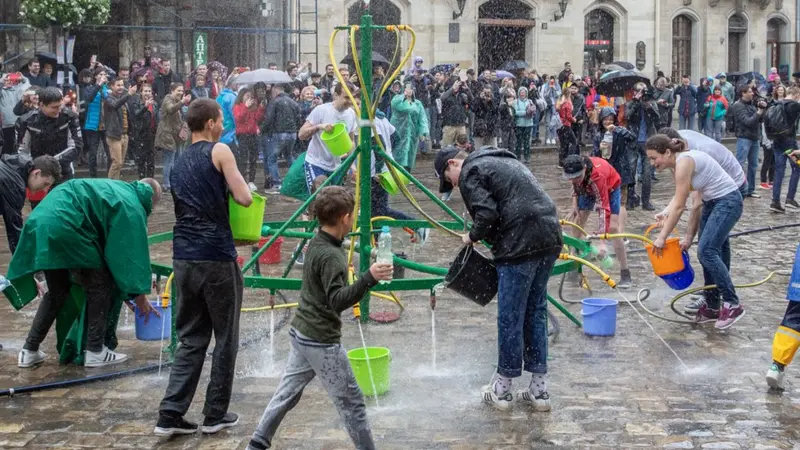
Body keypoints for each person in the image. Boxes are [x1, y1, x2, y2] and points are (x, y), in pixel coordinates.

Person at [247, 186, 392, 450]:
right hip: (320, 339)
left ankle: (257, 443)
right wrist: (369, 278)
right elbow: (337, 301)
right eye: (354, 214)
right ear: (345, 218)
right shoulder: (332, 256)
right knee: (353, 404)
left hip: (301, 331)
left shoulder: (317, 241)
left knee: (286, 394)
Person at [436, 146, 563, 411]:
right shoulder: (503, 161)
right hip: (549, 236)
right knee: (536, 311)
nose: (455, 185)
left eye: (450, 180)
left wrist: (471, 236)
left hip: (518, 244)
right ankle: (539, 391)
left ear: (452, 164)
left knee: (510, 316)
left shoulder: (471, 170)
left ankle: (502, 390)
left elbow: (487, 214)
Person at [154, 99, 252, 437]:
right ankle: (215, 414)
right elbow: (245, 198)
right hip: (215, 256)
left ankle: (170, 414)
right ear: (210, 123)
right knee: (225, 336)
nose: (223, 125)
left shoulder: (179, 161)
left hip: (183, 257)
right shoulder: (220, 151)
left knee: (191, 338)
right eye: (221, 119)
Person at [9, 178, 161, 368]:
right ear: (151, 201)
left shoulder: (117, 188)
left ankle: (29, 350)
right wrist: (139, 296)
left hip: (40, 222)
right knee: (100, 286)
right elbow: (129, 254)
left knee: (57, 291)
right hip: (68, 226)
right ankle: (95, 351)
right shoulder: (133, 205)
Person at [646, 134, 745, 329]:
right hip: (711, 203)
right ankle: (713, 305)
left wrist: (662, 237)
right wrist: (667, 214)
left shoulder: (684, 162)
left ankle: (732, 303)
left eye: (654, 158)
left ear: (667, 152)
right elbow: (683, 199)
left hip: (728, 202)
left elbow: (680, 207)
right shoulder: (676, 165)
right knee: (710, 252)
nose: (652, 163)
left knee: (706, 252)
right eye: (649, 159)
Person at [563, 155, 632, 288]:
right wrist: (574, 205)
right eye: (571, 177)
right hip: (587, 189)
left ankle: (625, 273)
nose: (574, 180)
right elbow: (575, 184)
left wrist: (602, 242)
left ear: (584, 168)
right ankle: (575, 265)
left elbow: (603, 208)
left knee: (612, 228)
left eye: (578, 176)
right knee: (577, 223)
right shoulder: (576, 171)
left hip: (611, 188)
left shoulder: (597, 176)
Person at [298, 82, 357, 195]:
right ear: (336, 95)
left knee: (334, 200)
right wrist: (319, 127)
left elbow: (351, 141)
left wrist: (352, 165)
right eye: (346, 97)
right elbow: (301, 135)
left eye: (352, 98)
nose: (350, 102)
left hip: (336, 166)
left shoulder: (351, 114)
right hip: (316, 163)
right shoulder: (321, 110)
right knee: (319, 197)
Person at [18, 87, 82, 185]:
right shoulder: (26, 121)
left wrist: (51, 162)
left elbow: (77, 147)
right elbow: (21, 151)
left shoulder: (70, 117)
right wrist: (37, 165)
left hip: (63, 169)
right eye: (54, 107)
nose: (58, 110)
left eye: (60, 106)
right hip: (37, 172)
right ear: (41, 105)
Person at [0, 154, 60, 253]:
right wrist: (28, 260)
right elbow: (15, 233)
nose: (45, 190)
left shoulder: (9, 168)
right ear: (36, 173)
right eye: (46, 184)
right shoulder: (14, 185)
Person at [625, 82, 659, 211]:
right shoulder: (630, 103)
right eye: (639, 91)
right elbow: (627, 116)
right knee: (631, 172)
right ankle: (630, 199)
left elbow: (658, 119)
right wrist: (635, 102)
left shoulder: (651, 103)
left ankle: (646, 201)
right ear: (634, 92)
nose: (642, 93)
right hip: (633, 141)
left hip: (648, 143)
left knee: (647, 174)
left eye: (644, 91)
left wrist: (648, 106)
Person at [730, 84, 767, 198]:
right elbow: (748, 122)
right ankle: (738, 189)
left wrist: (762, 109)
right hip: (744, 137)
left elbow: (760, 120)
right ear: (743, 93)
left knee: (753, 165)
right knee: (740, 164)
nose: (752, 93)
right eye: (750, 92)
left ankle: (750, 189)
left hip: (754, 137)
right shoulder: (738, 106)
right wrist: (758, 112)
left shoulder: (752, 104)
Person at [768, 86, 800, 213]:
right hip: (789, 142)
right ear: (796, 94)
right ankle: (790, 198)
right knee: (797, 166)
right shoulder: (794, 105)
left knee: (779, 170)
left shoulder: (777, 104)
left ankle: (775, 201)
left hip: (777, 141)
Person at [155, 83, 191, 191]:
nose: (180, 92)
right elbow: (171, 110)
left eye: (182, 91)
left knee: (178, 160)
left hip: (177, 136)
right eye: (178, 90)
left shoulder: (178, 101)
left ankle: (175, 181)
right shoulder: (168, 99)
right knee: (169, 160)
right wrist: (182, 102)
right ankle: (166, 184)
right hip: (167, 135)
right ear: (172, 90)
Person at [389, 83, 428, 172]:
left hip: (412, 134)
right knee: (397, 154)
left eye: (410, 89)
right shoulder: (397, 99)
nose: (409, 91)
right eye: (407, 88)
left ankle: (407, 174)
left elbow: (422, 118)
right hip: (398, 133)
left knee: (410, 155)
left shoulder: (417, 103)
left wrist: (423, 132)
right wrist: (403, 96)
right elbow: (395, 104)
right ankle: (395, 173)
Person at [104, 77, 137, 179]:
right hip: (114, 135)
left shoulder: (122, 98)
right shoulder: (109, 99)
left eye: (122, 85)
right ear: (111, 86)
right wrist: (129, 94)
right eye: (118, 85)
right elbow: (115, 105)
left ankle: (116, 183)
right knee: (116, 162)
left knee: (120, 163)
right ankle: (110, 184)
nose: (121, 87)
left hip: (124, 134)